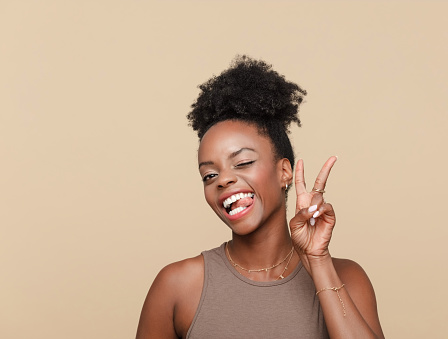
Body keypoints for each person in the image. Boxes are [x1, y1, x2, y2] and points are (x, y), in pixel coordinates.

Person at [136, 56, 384, 339]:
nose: (224, 179)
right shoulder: (177, 286)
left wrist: (319, 261)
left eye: (242, 163)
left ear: (284, 172)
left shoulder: (347, 278)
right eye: (209, 175)